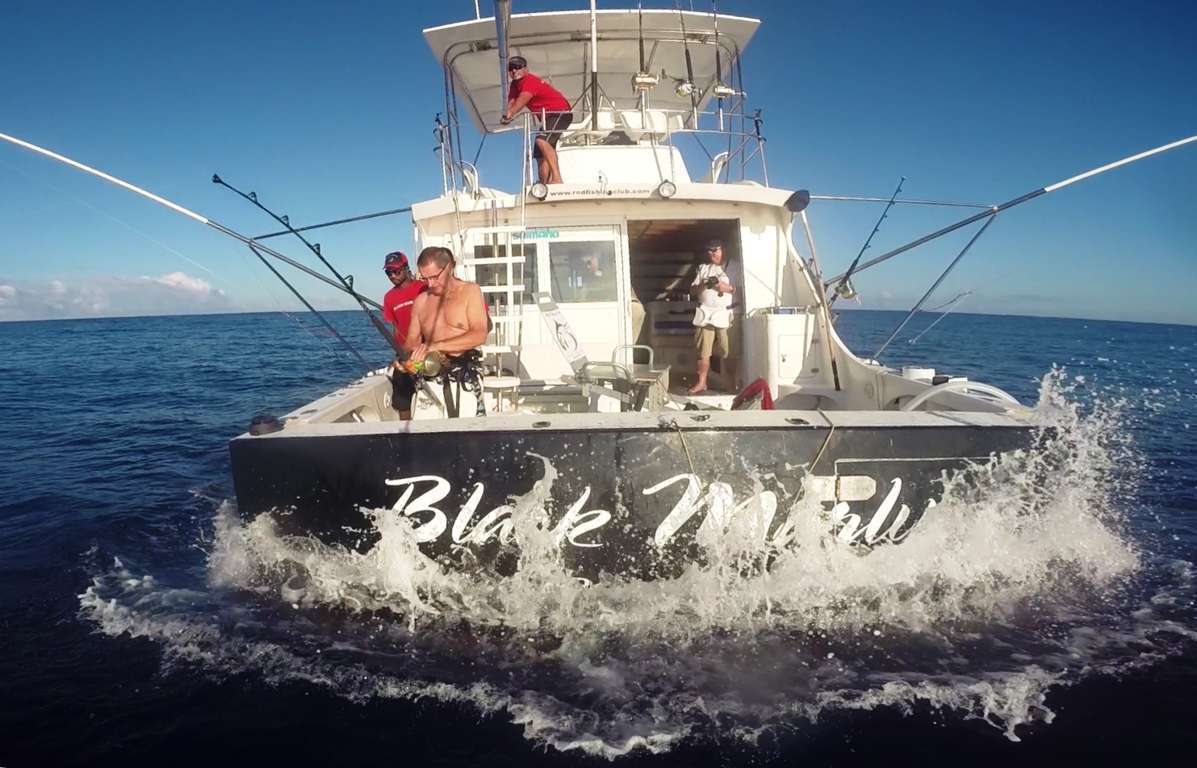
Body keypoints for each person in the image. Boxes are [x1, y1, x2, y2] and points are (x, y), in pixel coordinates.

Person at [406, 247, 491, 416]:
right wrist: (409, 363)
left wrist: (435, 346)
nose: (430, 284)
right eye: (425, 278)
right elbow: (411, 343)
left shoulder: (470, 291)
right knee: (424, 438)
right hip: (429, 380)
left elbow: (479, 334)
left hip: (464, 378)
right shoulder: (421, 301)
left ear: (450, 266)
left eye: (434, 277)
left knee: (468, 439)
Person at [499, 56, 573, 185]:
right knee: (539, 154)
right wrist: (507, 114)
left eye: (518, 67)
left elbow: (522, 100)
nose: (514, 71)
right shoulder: (514, 85)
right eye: (511, 68)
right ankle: (544, 184)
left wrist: (511, 113)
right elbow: (512, 102)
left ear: (526, 69)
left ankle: (557, 179)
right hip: (547, 117)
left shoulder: (530, 81)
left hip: (560, 112)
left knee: (542, 141)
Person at [688, 239, 736, 394]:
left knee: (726, 350)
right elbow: (693, 291)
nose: (711, 253)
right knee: (703, 351)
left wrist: (725, 287)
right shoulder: (703, 268)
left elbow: (741, 291)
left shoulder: (735, 267)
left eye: (715, 250)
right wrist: (705, 284)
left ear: (723, 250)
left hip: (724, 313)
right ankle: (702, 382)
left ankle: (731, 381)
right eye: (709, 250)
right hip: (705, 313)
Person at [381, 251, 424, 419]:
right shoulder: (389, 297)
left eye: (396, 271)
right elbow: (394, 327)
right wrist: (398, 353)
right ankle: (405, 433)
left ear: (406, 268)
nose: (392, 275)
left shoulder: (423, 288)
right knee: (401, 397)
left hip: (424, 352)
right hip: (404, 354)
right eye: (388, 272)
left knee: (428, 389)